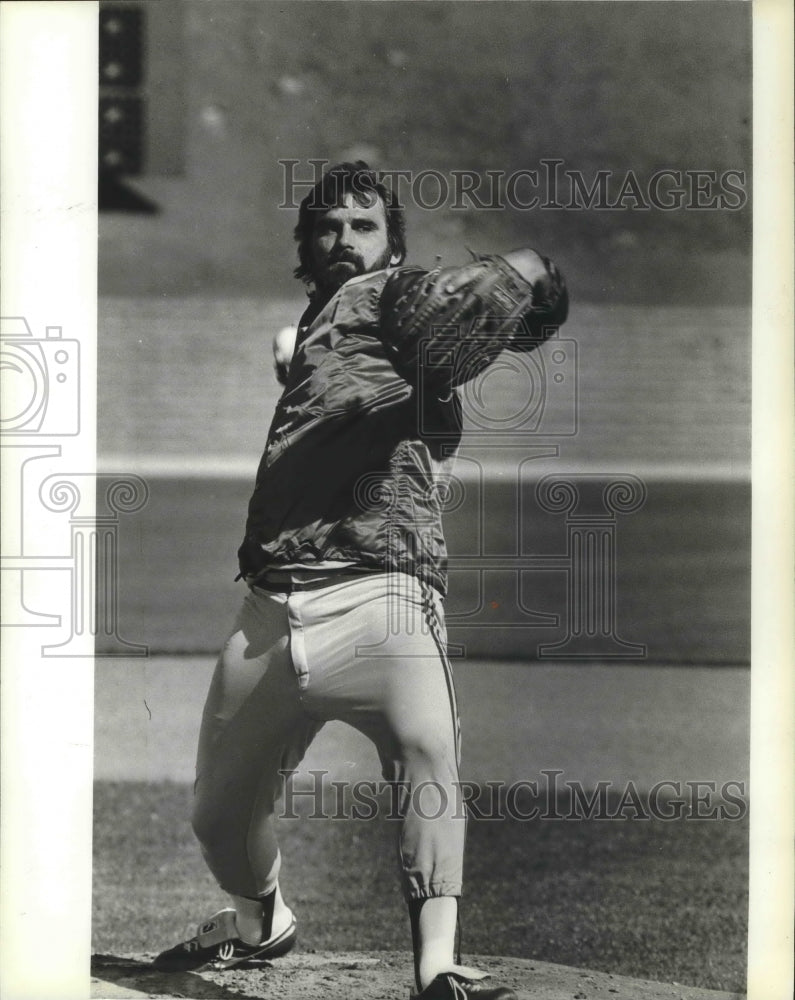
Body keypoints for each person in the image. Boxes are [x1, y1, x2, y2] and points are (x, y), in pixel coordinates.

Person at [154, 161, 568, 999]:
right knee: (217, 817)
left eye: (364, 224)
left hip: (382, 592)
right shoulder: (325, 320)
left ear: (392, 245)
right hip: (271, 607)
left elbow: (460, 309)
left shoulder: (396, 296)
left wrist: (524, 271)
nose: (345, 237)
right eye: (328, 225)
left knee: (427, 757)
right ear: (306, 243)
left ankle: (437, 963)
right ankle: (259, 922)